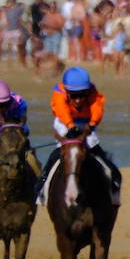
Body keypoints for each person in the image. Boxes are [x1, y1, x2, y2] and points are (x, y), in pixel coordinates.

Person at [41, 66, 121, 206]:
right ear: (67, 92)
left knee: (101, 157)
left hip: (85, 124)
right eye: (74, 96)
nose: (78, 100)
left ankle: (114, 185)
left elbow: (97, 108)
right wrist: (70, 126)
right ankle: (42, 187)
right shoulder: (59, 93)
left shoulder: (93, 91)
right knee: (57, 155)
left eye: (82, 95)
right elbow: (61, 109)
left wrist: (92, 124)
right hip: (64, 123)